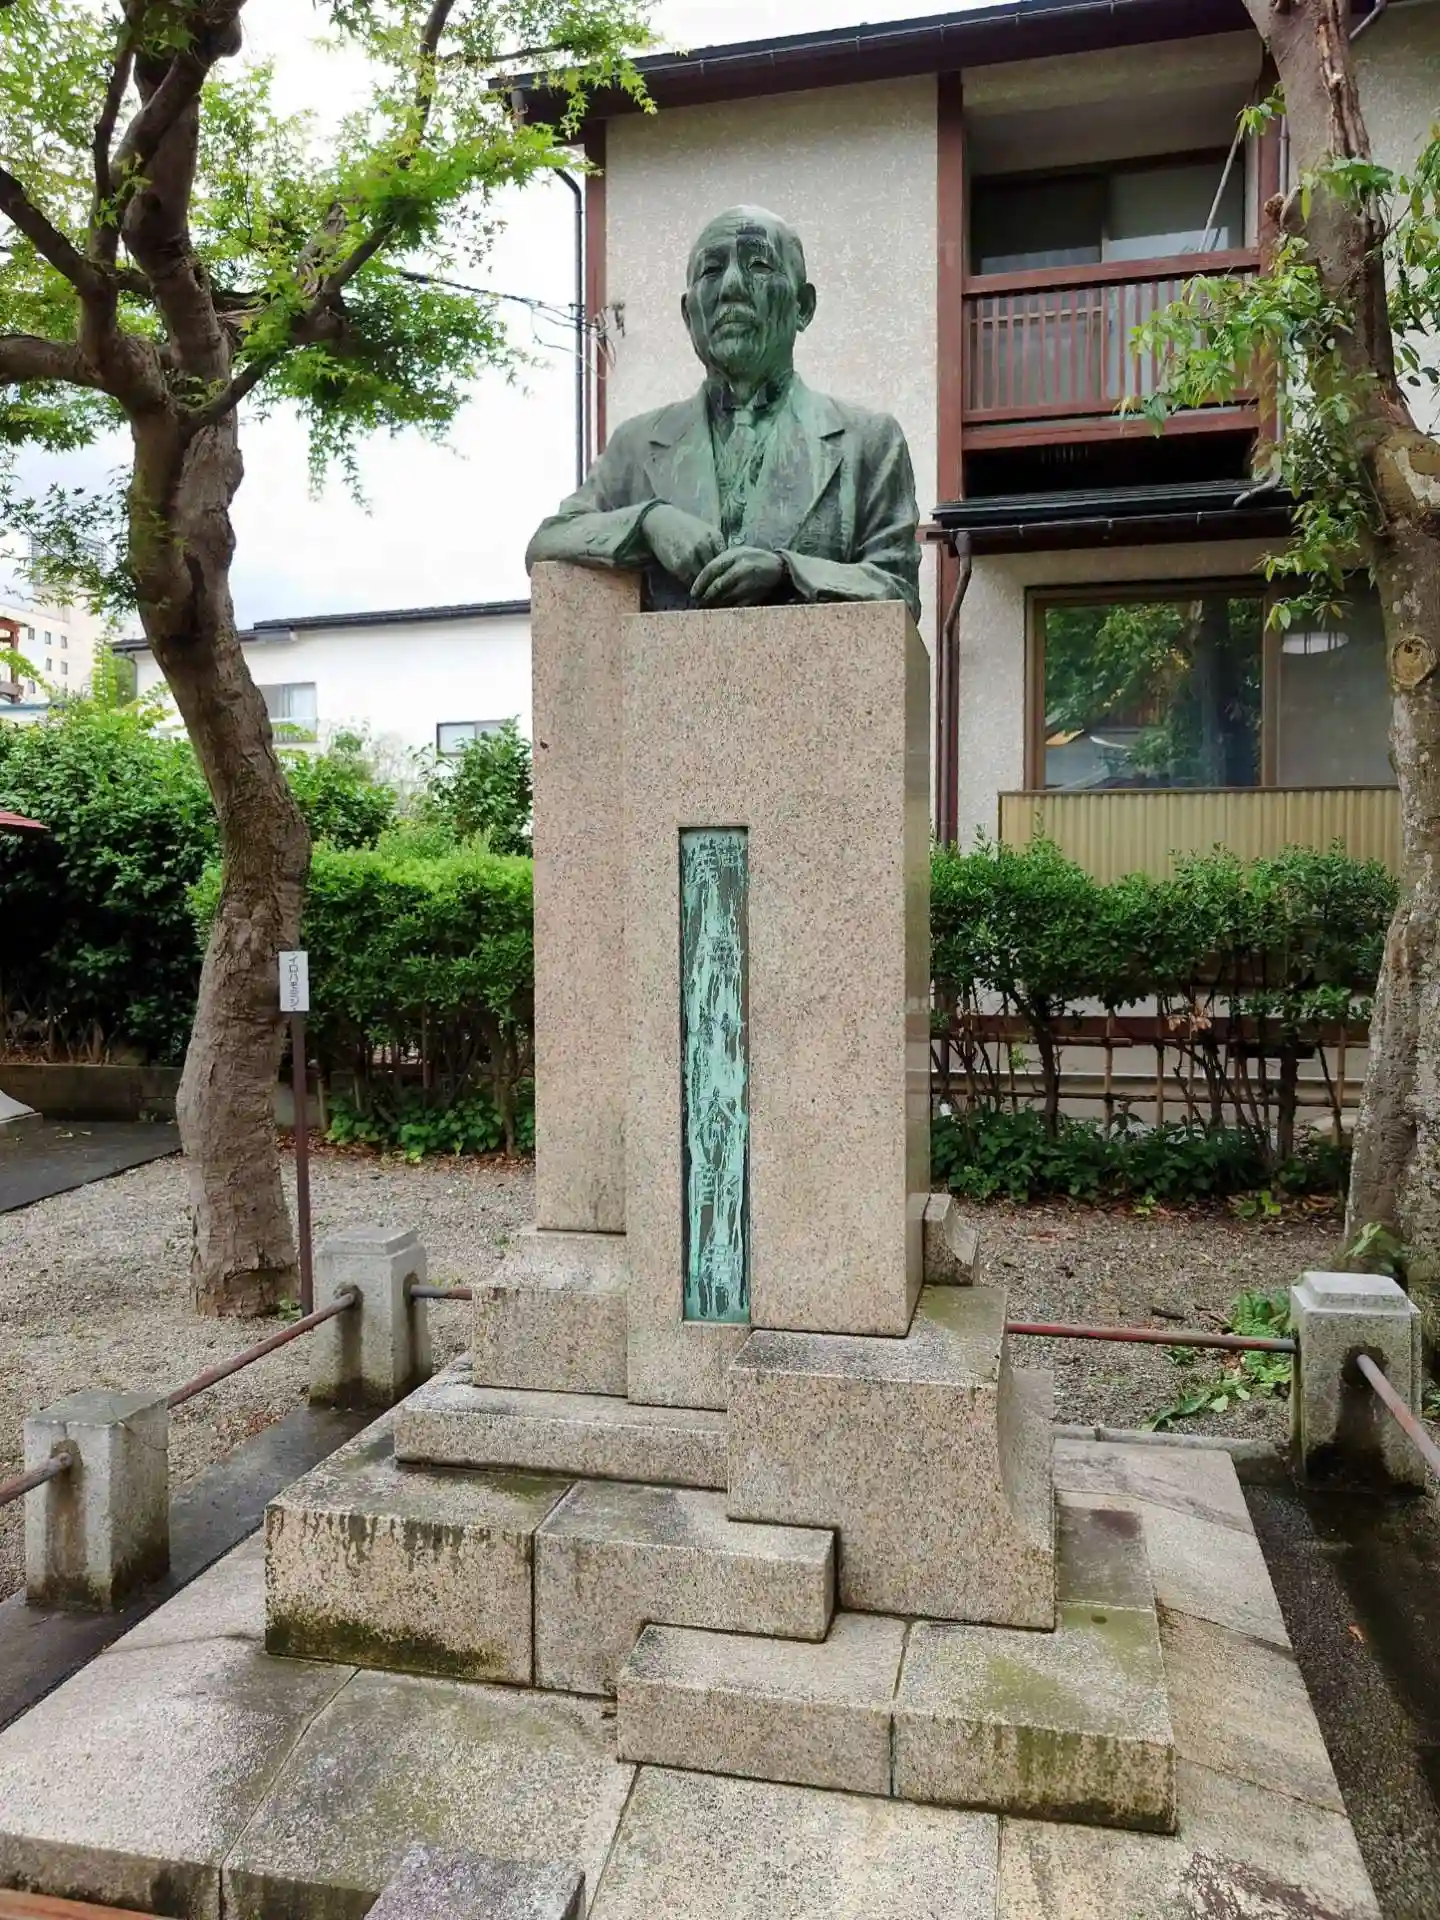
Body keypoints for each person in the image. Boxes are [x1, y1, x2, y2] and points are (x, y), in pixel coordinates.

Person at [526, 205, 920, 619]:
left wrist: (788, 572)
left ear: (803, 307)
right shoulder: (637, 446)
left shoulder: (868, 441)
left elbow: (899, 591)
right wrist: (647, 522)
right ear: (688, 314)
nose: (732, 286)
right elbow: (547, 542)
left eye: (759, 265)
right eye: (711, 270)